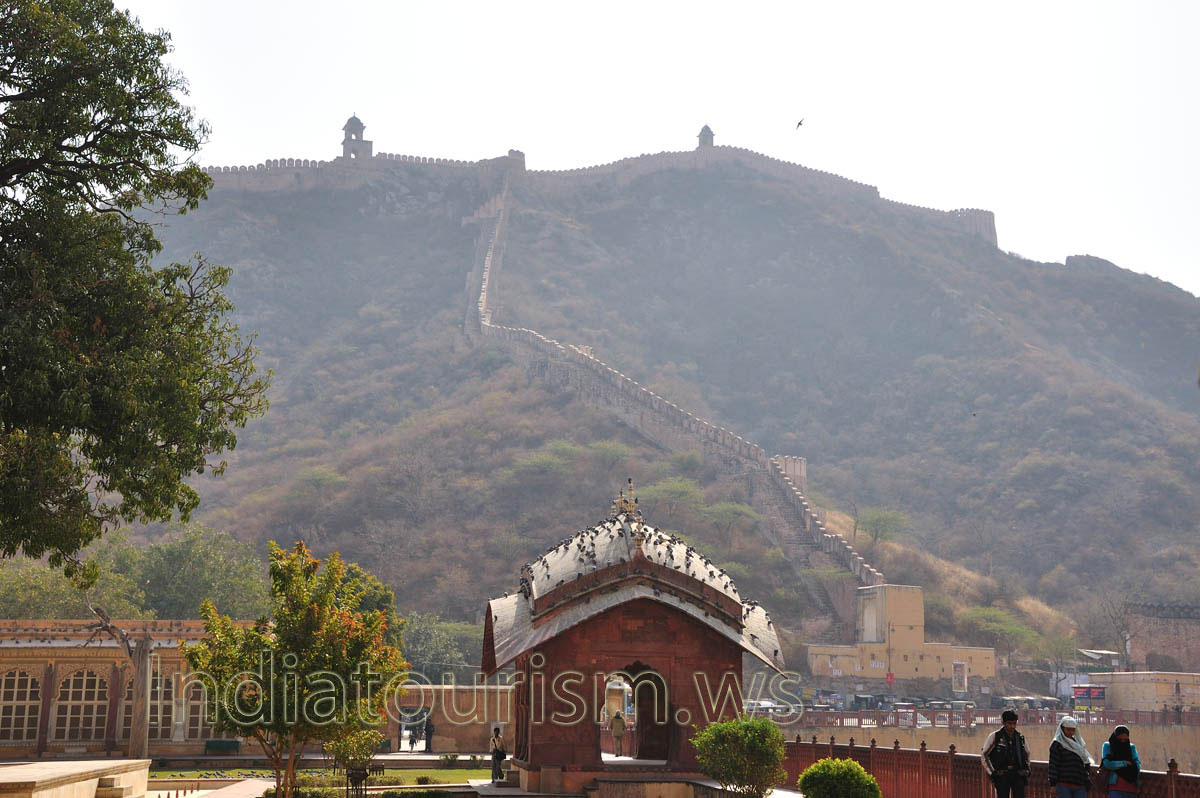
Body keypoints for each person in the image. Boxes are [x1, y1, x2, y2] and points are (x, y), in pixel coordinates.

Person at [982, 709, 1030, 798]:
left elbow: (1027, 754)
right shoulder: (995, 737)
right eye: (1009, 723)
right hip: (1002, 774)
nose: (1012, 726)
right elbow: (984, 755)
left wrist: (1027, 770)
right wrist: (993, 773)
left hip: (1017, 774)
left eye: (1014, 723)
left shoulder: (1020, 738)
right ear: (1003, 723)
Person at [1049, 716, 1094, 798]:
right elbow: (1053, 765)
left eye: (1073, 730)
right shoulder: (1057, 744)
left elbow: (1085, 761)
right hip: (1063, 784)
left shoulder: (1078, 744)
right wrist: (1053, 784)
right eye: (1068, 729)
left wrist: (1086, 777)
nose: (1071, 732)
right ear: (1062, 729)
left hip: (1079, 784)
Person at [1101, 725, 1140, 797]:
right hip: (1116, 788)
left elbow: (1137, 764)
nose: (1123, 741)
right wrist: (1124, 763)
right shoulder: (1108, 746)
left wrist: (1133, 767)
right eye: (1120, 739)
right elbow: (1107, 763)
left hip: (1132, 788)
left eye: (1125, 739)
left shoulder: (1131, 747)